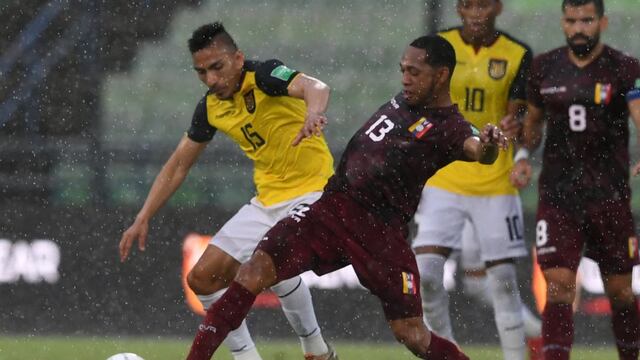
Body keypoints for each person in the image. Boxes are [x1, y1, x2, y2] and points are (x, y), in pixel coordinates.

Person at [185, 34, 510, 360]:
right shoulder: (407, 99)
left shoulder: (450, 126)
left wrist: (491, 143)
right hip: (330, 210)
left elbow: (479, 150)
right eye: (403, 70)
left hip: (380, 234)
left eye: (414, 72)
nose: (405, 79)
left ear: (441, 75)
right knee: (254, 270)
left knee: (411, 333)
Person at [118, 22, 338, 360]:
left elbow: (317, 87)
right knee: (203, 279)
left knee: (272, 260)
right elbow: (179, 165)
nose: (210, 79)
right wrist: (143, 215)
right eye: (201, 72)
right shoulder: (210, 107)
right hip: (267, 202)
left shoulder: (264, 76)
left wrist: (313, 112)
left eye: (217, 67)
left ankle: (317, 351)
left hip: (314, 192)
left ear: (237, 58)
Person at [510, 0, 640, 358]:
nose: (579, 28)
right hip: (558, 196)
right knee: (559, 287)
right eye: (572, 21)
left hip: (609, 196)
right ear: (563, 23)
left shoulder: (625, 68)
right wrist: (522, 157)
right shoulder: (543, 68)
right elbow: (532, 126)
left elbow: (638, 111)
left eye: (586, 20)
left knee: (621, 292)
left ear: (603, 22)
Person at [411, 1, 537, 358]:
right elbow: (418, 101)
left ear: (497, 7)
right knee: (428, 275)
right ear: (459, 8)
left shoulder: (517, 54)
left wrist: (518, 141)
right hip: (444, 178)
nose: (476, 12)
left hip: (495, 181)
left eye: (484, 4)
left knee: (503, 282)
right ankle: (446, 353)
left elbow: (521, 118)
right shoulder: (438, 46)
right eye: (469, 4)